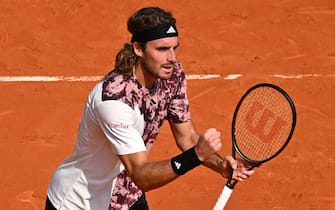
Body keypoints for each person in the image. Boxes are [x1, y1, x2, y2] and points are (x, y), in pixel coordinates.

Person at [45, 6, 254, 210]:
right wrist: (195, 156)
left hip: (127, 197)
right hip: (81, 202)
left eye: (174, 47)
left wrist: (221, 166)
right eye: (162, 49)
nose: (171, 58)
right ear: (138, 48)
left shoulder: (173, 76)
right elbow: (141, 174)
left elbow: (187, 137)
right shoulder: (114, 99)